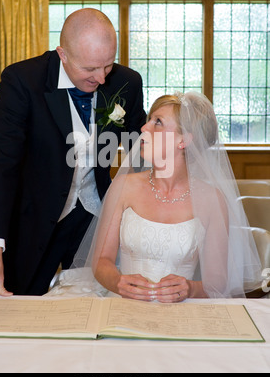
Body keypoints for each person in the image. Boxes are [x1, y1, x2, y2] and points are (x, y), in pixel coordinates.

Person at [0, 8, 146, 298]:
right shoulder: (23, 81)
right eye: (89, 69)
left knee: (97, 306)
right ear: (63, 54)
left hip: (96, 218)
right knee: (19, 305)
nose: (101, 79)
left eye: (107, 65)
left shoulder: (126, 82)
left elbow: (139, 149)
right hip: (33, 219)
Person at [48, 91, 262, 301]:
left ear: (184, 140)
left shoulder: (212, 200)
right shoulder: (123, 186)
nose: (143, 128)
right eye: (149, 120)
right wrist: (118, 283)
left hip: (182, 311)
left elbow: (218, 283)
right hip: (123, 304)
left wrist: (189, 288)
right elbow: (102, 261)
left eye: (157, 122)